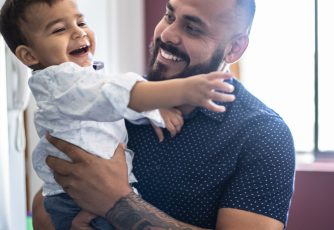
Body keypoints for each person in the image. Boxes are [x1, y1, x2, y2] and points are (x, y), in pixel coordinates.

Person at [34, 0, 297, 229]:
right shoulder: (114, 100)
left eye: (192, 28)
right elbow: (43, 204)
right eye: (169, 16)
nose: (168, 34)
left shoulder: (264, 135)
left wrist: (117, 202)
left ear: (234, 48)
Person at [0, 0, 237, 229]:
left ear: (235, 48)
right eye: (60, 29)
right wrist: (182, 92)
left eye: (81, 23)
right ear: (29, 56)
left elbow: (114, 100)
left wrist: (153, 109)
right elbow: (115, 94)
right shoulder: (60, 83)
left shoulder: (84, 82)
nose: (78, 33)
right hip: (72, 202)